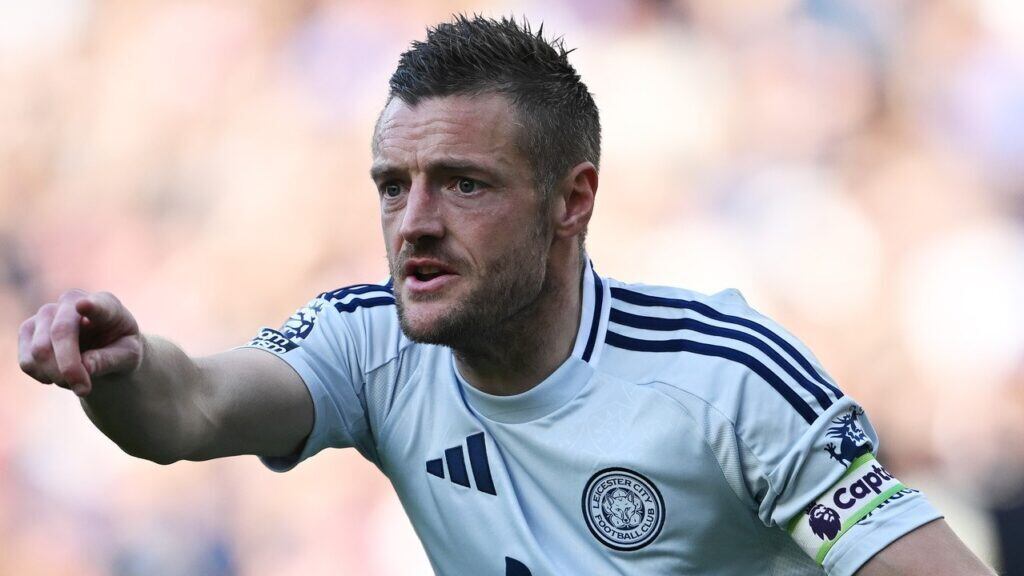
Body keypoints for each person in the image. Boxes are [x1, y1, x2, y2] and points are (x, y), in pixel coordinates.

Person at [17, 15, 994, 576]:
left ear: (572, 201)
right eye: (393, 186)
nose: (414, 223)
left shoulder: (724, 379)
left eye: (464, 184)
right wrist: (122, 370)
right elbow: (188, 409)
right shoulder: (369, 346)